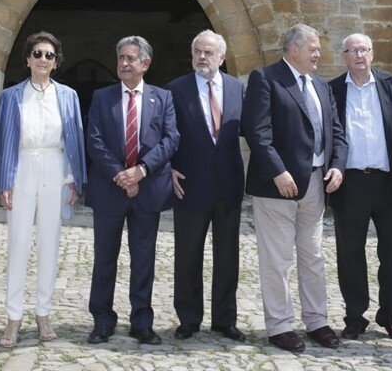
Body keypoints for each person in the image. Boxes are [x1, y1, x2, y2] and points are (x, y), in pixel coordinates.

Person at [242, 24, 347, 354]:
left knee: (313, 255)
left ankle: (317, 321)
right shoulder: (266, 78)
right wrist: (278, 172)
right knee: (277, 259)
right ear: (293, 49)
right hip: (277, 186)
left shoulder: (320, 84)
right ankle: (280, 326)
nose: (318, 54)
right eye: (313, 48)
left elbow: (336, 131)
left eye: (318, 49)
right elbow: (257, 132)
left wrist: (337, 165)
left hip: (316, 182)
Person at [0, 32, 86, 347]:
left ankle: (43, 312)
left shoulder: (68, 95)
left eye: (49, 55)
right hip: (22, 166)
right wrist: (4, 181)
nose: (43, 59)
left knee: (50, 241)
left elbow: (75, 137)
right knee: (18, 241)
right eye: (37, 53)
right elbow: (4, 139)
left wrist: (73, 179)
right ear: (27, 59)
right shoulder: (12, 95)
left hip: (54, 166)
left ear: (56, 62)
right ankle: (13, 316)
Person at [85, 36, 179, 346]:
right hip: (110, 189)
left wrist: (141, 170)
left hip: (147, 190)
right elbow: (94, 140)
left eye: (131, 58)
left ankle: (142, 322)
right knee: (104, 259)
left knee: (143, 260)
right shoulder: (102, 97)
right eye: (121, 58)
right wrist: (121, 175)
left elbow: (170, 139)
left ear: (145, 64)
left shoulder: (162, 98)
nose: (124, 63)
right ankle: (102, 320)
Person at [328, 32, 392, 343]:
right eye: (352, 50)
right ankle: (355, 317)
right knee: (350, 251)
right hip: (350, 182)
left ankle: (389, 316)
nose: (358, 55)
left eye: (363, 49)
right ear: (343, 56)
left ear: (372, 53)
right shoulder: (333, 90)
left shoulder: (390, 84)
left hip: (388, 181)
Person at [166, 30, 246, 341]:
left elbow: (253, 130)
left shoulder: (237, 88)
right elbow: (163, 133)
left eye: (208, 52)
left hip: (228, 185)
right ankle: (188, 319)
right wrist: (168, 168)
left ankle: (225, 320)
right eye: (197, 51)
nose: (202, 57)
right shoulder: (175, 90)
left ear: (221, 58)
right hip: (189, 184)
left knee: (228, 256)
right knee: (188, 255)